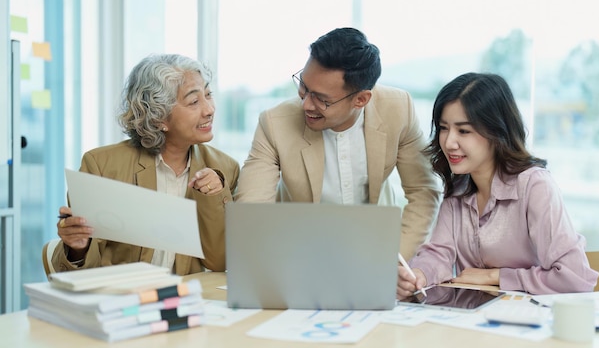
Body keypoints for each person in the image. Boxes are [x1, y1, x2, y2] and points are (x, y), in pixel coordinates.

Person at [234, 27, 441, 260]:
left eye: (322, 99)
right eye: (304, 87)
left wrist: (395, 262)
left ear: (361, 99)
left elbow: (423, 191)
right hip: (300, 254)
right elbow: (252, 209)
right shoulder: (274, 123)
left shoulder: (398, 109)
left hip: (375, 249)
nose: (306, 104)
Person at [397, 72, 599, 298]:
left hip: (528, 323)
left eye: (463, 131)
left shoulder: (534, 185)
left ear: (496, 131)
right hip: (476, 322)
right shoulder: (459, 187)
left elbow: (575, 277)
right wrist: (420, 273)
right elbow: (439, 254)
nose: (449, 142)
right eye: (444, 128)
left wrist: (497, 276)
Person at [50, 53, 240, 275]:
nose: (209, 109)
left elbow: (220, 263)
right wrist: (77, 249)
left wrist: (213, 195)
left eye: (208, 95)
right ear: (159, 117)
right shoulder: (101, 166)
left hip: (184, 300)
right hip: (122, 299)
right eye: (194, 101)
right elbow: (76, 272)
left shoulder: (225, 169)